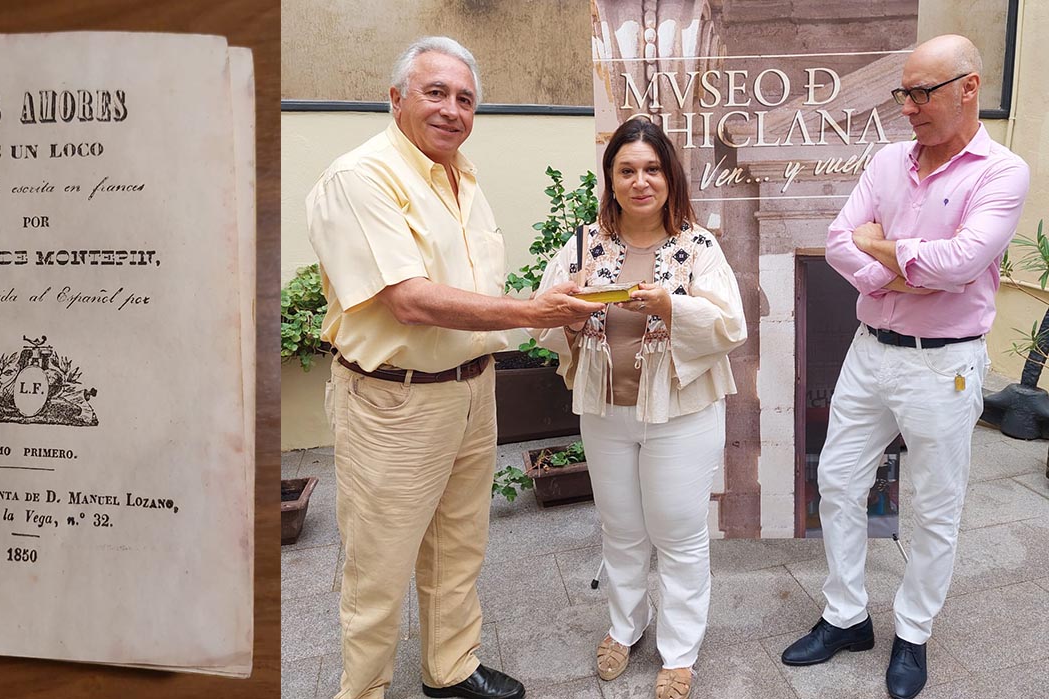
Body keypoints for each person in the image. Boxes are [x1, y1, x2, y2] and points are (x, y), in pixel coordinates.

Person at [307, 36, 603, 699]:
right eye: (435, 92)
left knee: (458, 544)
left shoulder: (461, 176)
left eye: (465, 99)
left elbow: (464, 289)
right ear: (396, 98)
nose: (452, 109)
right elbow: (408, 300)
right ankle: (363, 688)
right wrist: (534, 312)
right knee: (377, 568)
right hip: (394, 401)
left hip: (472, 391)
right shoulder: (362, 178)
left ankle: (450, 666)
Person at [780, 35, 1029, 699]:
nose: (908, 108)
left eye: (923, 93)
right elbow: (840, 239)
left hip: (943, 365)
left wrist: (885, 252)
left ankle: (913, 632)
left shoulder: (1002, 172)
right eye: (904, 93)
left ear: (968, 88)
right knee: (835, 479)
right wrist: (905, 272)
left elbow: (963, 263)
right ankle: (847, 615)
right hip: (870, 350)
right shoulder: (889, 161)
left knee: (935, 505)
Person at [537, 115, 747, 699]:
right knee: (622, 528)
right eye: (626, 170)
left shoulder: (697, 247)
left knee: (678, 533)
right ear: (611, 178)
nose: (639, 181)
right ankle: (625, 627)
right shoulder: (585, 243)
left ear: (669, 176)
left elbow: (731, 325)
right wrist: (568, 313)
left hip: (680, 415)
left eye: (651, 169)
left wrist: (673, 306)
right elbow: (544, 315)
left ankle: (679, 651)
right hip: (605, 410)